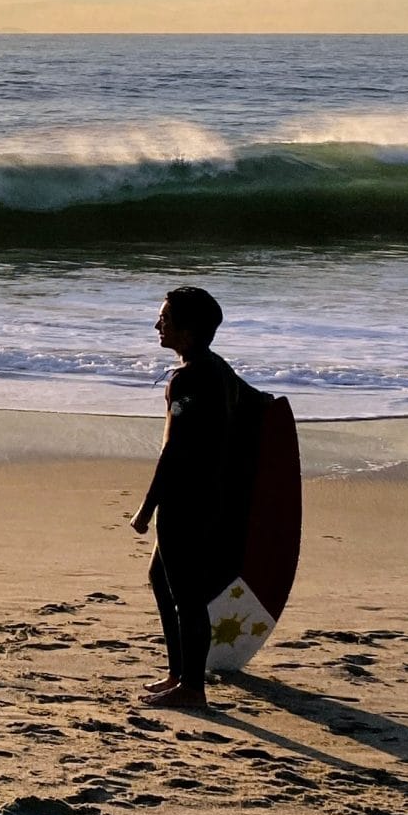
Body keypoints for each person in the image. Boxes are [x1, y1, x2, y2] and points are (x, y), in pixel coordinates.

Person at [131, 286, 257, 710]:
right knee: (161, 580)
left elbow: (174, 449)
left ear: (187, 329)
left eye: (165, 319)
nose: (157, 325)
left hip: (188, 497)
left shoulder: (189, 377)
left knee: (185, 594)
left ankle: (192, 689)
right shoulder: (219, 369)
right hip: (211, 493)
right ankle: (179, 673)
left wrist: (147, 507)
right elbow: (258, 408)